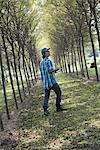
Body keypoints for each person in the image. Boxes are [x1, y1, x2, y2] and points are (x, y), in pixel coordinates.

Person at [39, 47, 64, 116]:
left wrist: (53, 71)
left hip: (45, 83)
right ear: (44, 53)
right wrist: (56, 69)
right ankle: (58, 107)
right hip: (52, 82)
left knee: (46, 96)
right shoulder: (48, 61)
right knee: (59, 92)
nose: (49, 52)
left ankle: (45, 110)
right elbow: (50, 71)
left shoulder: (41, 62)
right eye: (47, 51)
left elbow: (44, 73)